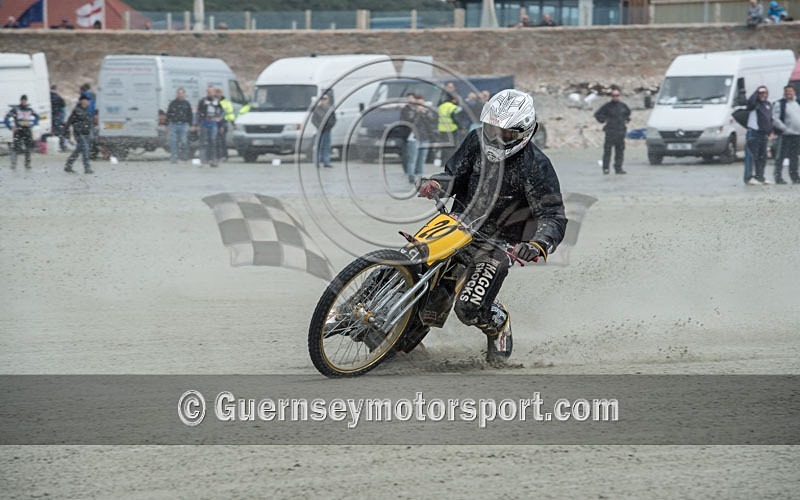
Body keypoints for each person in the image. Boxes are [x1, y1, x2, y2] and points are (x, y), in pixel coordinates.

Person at [417, 89, 567, 363]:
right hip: (456, 226)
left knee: (469, 308)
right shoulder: (475, 141)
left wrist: (537, 244)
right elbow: (453, 176)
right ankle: (357, 314)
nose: (496, 137)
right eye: (491, 129)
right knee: (413, 261)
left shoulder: (536, 165)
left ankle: (498, 322)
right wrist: (437, 184)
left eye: (506, 133)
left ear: (523, 132)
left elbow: (553, 216)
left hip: (497, 245)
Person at [594, 88, 631, 174]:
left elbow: (628, 114)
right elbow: (597, 114)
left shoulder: (623, 106)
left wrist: (626, 120)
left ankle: (618, 168)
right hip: (610, 132)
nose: (615, 97)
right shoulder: (607, 106)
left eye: (617, 95)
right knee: (607, 152)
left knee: (620, 151)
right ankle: (606, 168)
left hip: (620, 132)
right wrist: (603, 120)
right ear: (611, 96)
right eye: (613, 96)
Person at [744, 86, 773, 185]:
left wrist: (770, 131)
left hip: (763, 134)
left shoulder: (768, 104)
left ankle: (760, 176)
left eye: (765, 92)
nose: (763, 94)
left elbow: (769, 119)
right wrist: (757, 92)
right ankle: (748, 177)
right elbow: (750, 102)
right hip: (754, 133)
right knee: (752, 156)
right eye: (761, 92)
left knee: (762, 157)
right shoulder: (754, 104)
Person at [772, 85, 800, 184]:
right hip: (785, 135)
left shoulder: (797, 103)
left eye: (791, 91)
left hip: (797, 135)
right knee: (781, 157)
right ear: (784, 93)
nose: (789, 93)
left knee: (794, 157)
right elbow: (775, 118)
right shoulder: (780, 104)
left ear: (794, 92)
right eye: (787, 91)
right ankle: (778, 177)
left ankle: (795, 177)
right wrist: (784, 128)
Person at [4, 95, 40, 169]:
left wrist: (33, 124)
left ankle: (27, 164)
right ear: (20, 101)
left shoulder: (29, 109)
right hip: (18, 131)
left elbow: (37, 117)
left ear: (26, 101)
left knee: (28, 148)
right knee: (15, 148)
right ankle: (13, 163)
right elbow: (6, 118)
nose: (24, 102)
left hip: (27, 130)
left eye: (25, 100)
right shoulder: (16, 109)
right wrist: (11, 127)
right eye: (22, 100)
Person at [63, 95, 94, 174]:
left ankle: (68, 165)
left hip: (86, 133)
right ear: (82, 101)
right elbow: (70, 121)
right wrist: (66, 131)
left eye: (88, 101)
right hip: (79, 133)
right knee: (85, 150)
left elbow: (89, 122)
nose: (87, 102)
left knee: (78, 150)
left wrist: (90, 130)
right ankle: (87, 168)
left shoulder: (87, 110)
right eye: (86, 100)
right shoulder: (77, 110)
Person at [196, 85, 223, 167]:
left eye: (211, 92)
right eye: (208, 92)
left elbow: (221, 111)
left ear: (214, 92)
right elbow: (199, 112)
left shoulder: (217, 101)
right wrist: (198, 122)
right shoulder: (203, 100)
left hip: (213, 123)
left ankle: (213, 160)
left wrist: (219, 119)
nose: (210, 93)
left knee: (213, 141)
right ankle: (203, 160)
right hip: (205, 123)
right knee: (204, 142)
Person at [166, 87, 193, 163]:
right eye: (179, 93)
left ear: (184, 94)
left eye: (181, 93)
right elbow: (168, 114)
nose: (180, 95)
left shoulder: (186, 103)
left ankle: (184, 156)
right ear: (177, 94)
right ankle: (174, 157)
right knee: (173, 142)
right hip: (174, 125)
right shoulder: (173, 103)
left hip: (184, 125)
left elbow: (190, 114)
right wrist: (167, 125)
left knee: (184, 141)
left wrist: (190, 125)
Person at [311, 92, 336, 168]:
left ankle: (326, 162)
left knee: (327, 146)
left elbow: (334, 119)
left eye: (325, 99)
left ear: (328, 100)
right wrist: (319, 126)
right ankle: (317, 162)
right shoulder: (317, 109)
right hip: (319, 131)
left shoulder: (330, 109)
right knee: (319, 146)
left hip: (327, 130)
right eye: (322, 99)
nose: (323, 100)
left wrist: (330, 126)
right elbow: (313, 120)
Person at [437, 92, 462, 163]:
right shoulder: (453, 107)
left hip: (442, 129)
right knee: (452, 147)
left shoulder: (441, 106)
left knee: (444, 147)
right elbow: (456, 118)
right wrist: (460, 126)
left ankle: (443, 162)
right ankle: (451, 162)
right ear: (453, 100)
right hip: (452, 129)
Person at [216, 87, 234, 162]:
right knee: (217, 141)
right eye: (217, 92)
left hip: (223, 123)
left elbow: (229, 113)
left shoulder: (226, 102)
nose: (218, 94)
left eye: (219, 92)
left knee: (222, 141)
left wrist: (232, 123)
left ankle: (225, 156)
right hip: (215, 124)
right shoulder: (215, 101)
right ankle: (218, 155)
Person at [50, 85, 67, 151]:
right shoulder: (58, 97)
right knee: (59, 131)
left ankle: (47, 144)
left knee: (50, 131)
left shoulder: (48, 96)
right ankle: (61, 145)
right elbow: (63, 105)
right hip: (57, 115)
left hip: (50, 115)